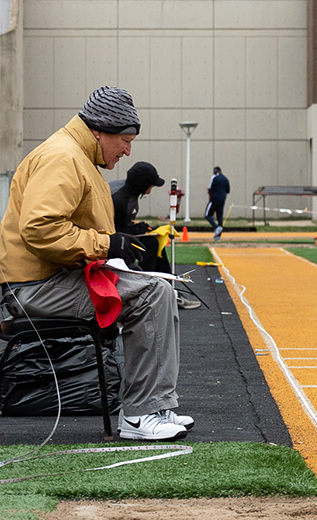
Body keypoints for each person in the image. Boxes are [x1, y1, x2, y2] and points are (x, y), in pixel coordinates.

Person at [0, 86, 189, 441]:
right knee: (151, 294)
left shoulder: (78, 157)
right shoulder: (63, 157)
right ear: (99, 131)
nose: (128, 150)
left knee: (159, 289)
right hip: (33, 289)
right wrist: (107, 244)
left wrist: (120, 244)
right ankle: (141, 414)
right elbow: (39, 228)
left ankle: (156, 406)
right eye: (125, 141)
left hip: (49, 280)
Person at [204, 166, 229, 240]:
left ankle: (216, 227)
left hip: (214, 199)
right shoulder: (225, 179)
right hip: (222, 199)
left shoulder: (215, 178)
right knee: (219, 217)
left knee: (207, 215)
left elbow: (211, 189)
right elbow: (228, 190)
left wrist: (209, 190)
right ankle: (218, 236)